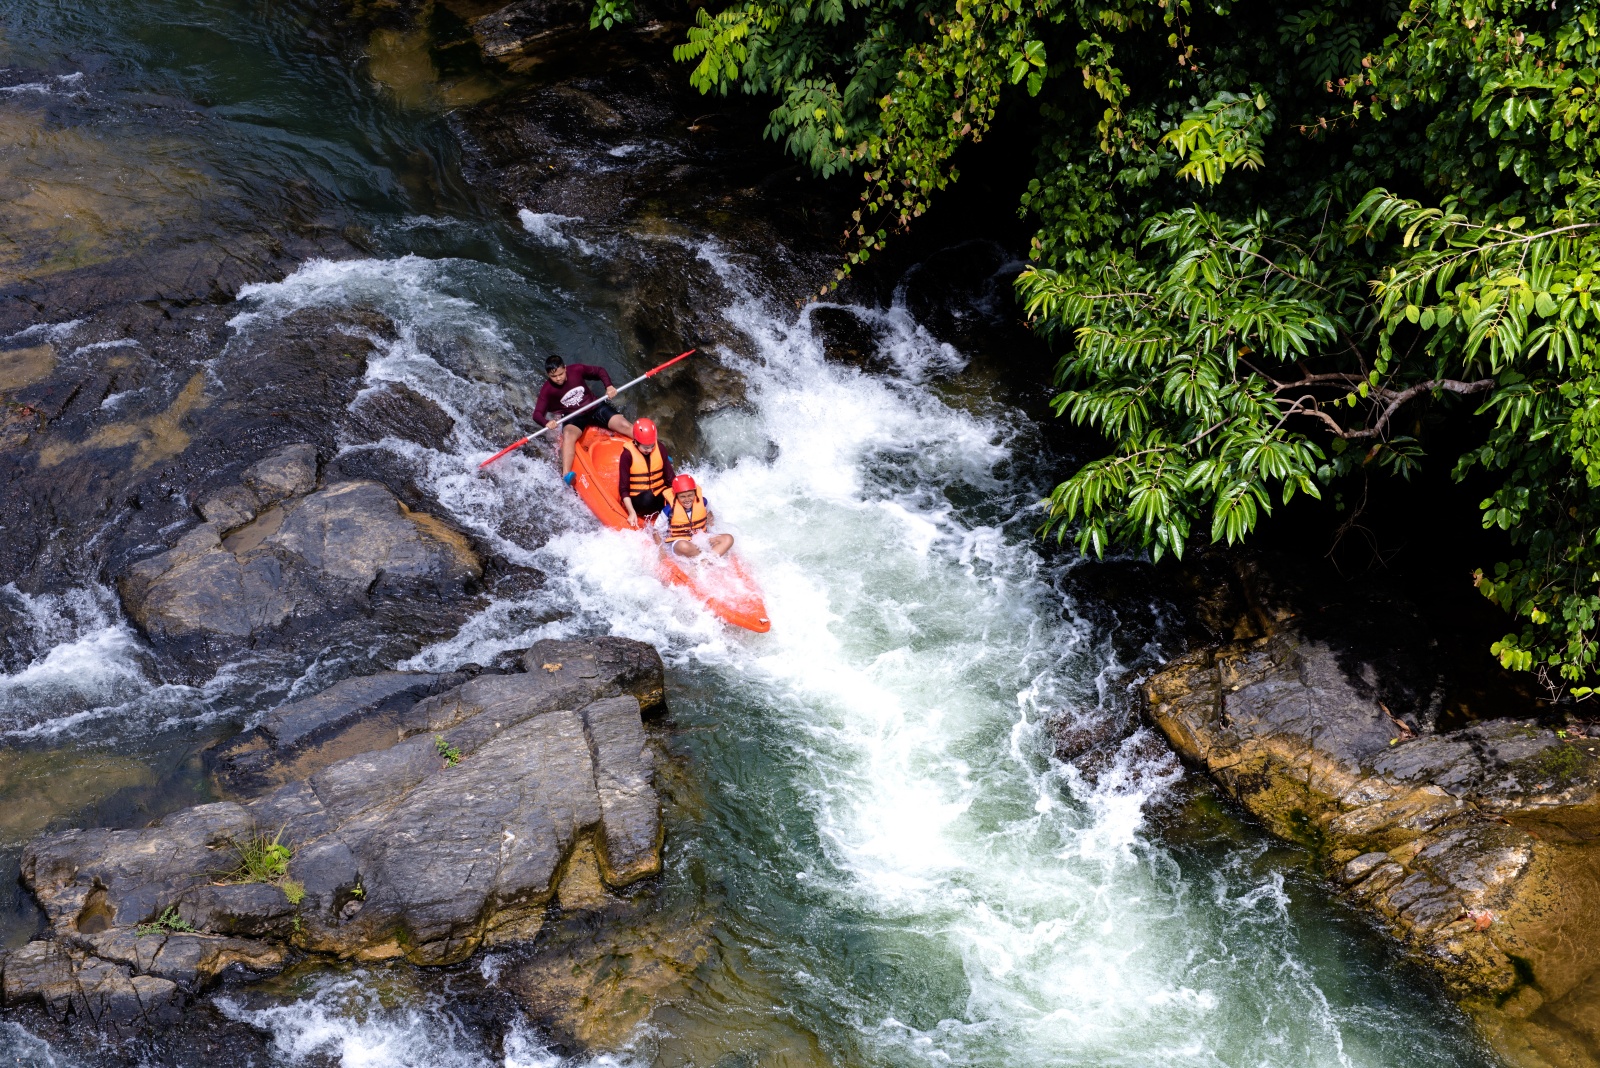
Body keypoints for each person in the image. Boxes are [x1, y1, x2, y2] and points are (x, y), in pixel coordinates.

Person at [532, 355, 634, 484]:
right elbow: (537, 414)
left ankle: (652, 447)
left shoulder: (577, 370)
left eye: (561, 374)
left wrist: (609, 386)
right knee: (568, 436)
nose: (558, 379)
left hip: (594, 406)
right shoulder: (547, 390)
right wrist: (546, 422)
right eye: (554, 376)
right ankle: (566, 475)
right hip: (574, 416)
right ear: (548, 375)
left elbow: (599, 371)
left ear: (565, 368)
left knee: (624, 425)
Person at [619, 418, 676, 527]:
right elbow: (623, 488)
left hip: (659, 497)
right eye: (645, 447)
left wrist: (679, 497)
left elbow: (670, 478)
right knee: (648, 498)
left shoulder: (660, 448)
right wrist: (631, 512)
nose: (649, 450)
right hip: (640, 501)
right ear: (635, 442)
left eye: (652, 446)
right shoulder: (627, 455)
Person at [661, 474, 733, 558]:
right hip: (681, 541)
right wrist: (661, 550)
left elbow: (710, 516)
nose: (687, 499)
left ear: (695, 493)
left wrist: (712, 530)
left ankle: (706, 560)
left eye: (690, 495)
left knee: (728, 538)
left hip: (701, 538)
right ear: (676, 496)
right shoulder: (668, 509)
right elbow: (656, 530)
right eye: (682, 497)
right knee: (683, 546)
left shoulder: (703, 502)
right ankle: (707, 557)